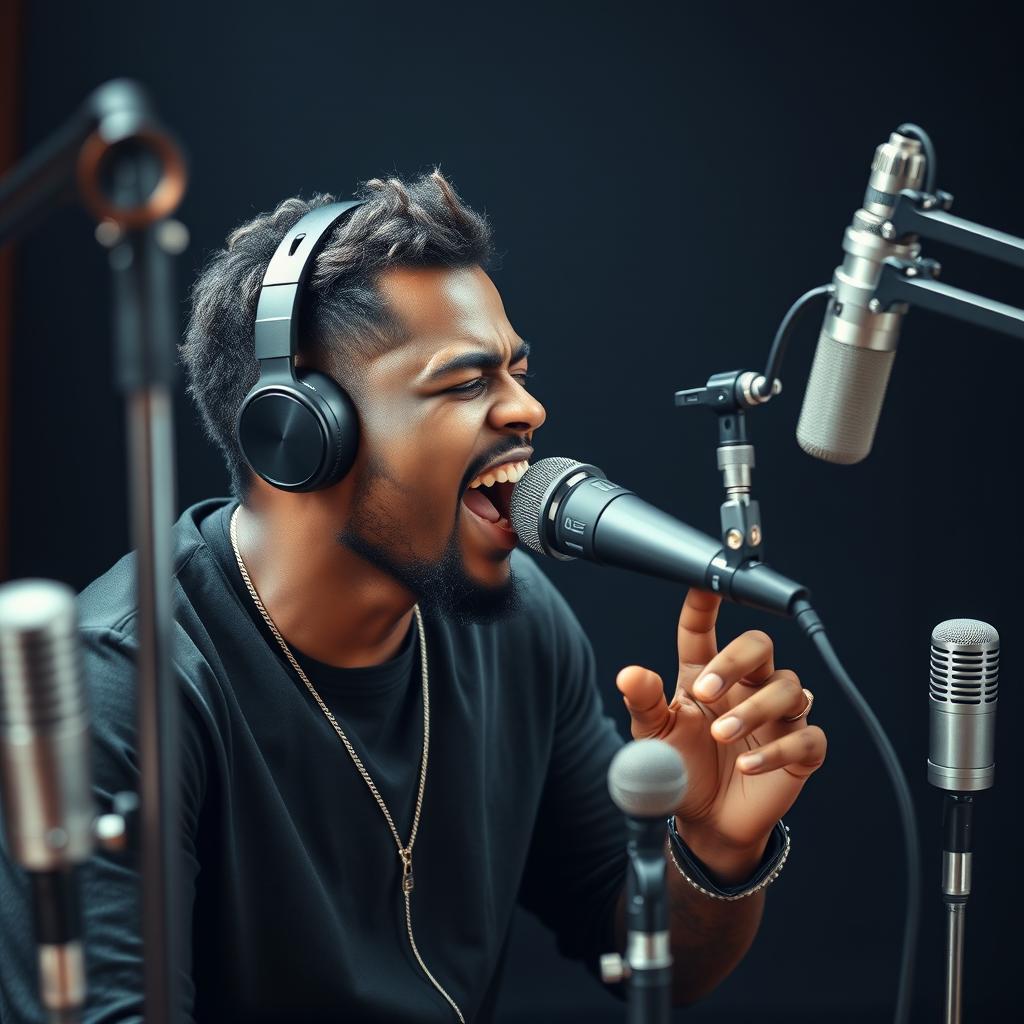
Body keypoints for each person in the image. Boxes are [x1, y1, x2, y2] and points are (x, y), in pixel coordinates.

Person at [0, 171, 827, 1023]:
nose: (529, 408)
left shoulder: (521, 626)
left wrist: (716, 848)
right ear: (298, 432)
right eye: (467, 383)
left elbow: (645, 957)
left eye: (517, 371)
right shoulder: (124, 685)